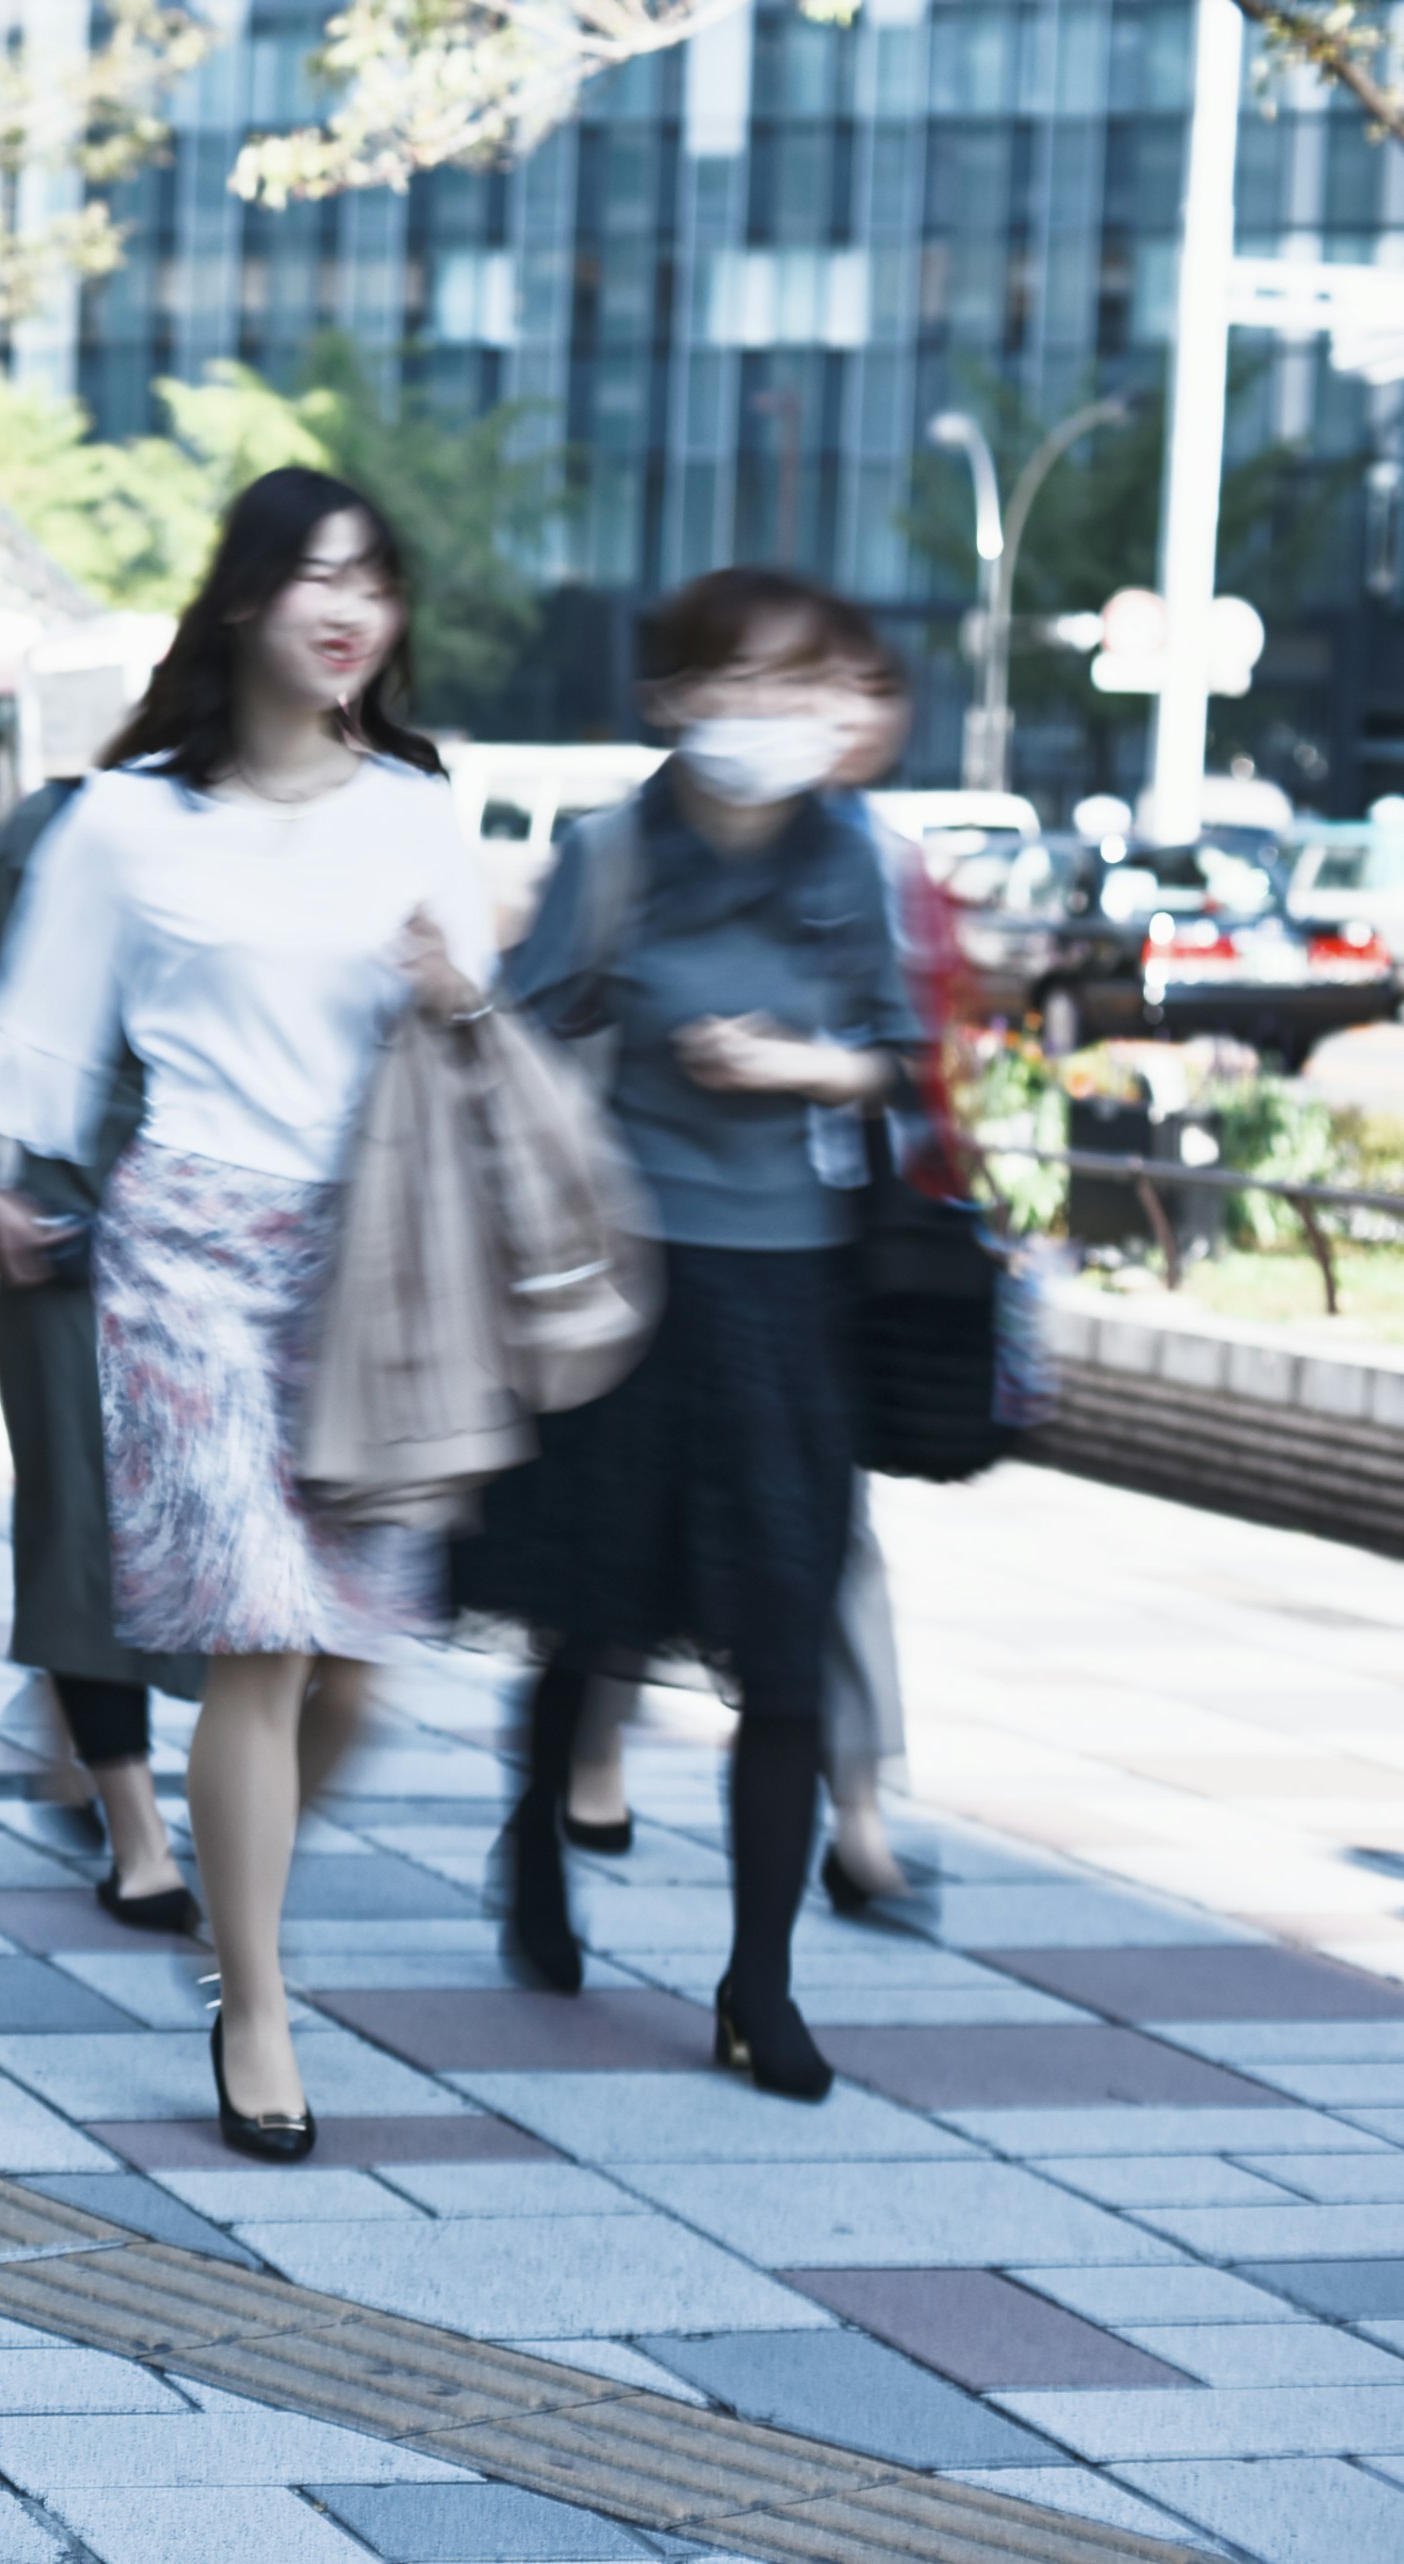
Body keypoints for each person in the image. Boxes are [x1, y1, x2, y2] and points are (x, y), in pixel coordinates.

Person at [0, 468, 493, 2162]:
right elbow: (33, 1040)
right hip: (187, 1257)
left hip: (371, 1266)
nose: (347, 608)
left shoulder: (421, 808)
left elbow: (483, 1057)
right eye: (315, 575)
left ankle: (245, 1891)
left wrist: (458, 997)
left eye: (374, 581)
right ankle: (256, 1996)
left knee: (358, 1660)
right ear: (243, 599)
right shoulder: (125, 821)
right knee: (261, 1637)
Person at [451, 567, 924, 2104]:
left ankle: (757, 1987)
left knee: (784, 1649)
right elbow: (521, 1036)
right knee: (601, 1609)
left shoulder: (854, 853)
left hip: (791, 1301)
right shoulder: (612, 856)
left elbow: (898, 1067)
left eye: (801, 685)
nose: (775, 716)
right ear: (673, 699)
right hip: (631, 1289)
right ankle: (537, 1845)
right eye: (742, 684)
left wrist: (800, 1065)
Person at [0, 769, 205, 1934]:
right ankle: (140, 1836)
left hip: (239, 1253)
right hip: (73, 1242)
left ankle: (76, 1735)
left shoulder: (327, 831)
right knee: (82, 1542)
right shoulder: (62, 824)